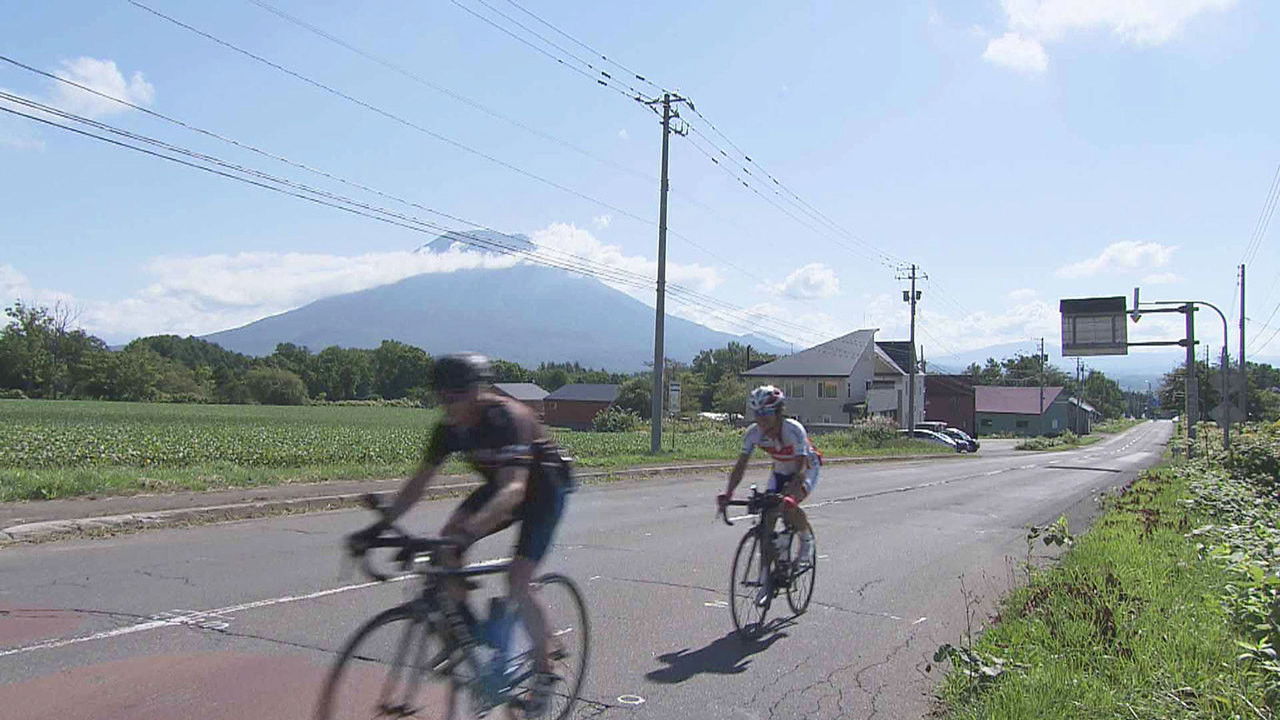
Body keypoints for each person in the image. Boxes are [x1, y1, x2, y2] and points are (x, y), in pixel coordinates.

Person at [346, 352, 571, 717]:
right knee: (445, 544)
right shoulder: (448, 429)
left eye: (458, 396)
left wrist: (469, 533)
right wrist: (376, 528)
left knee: (518, 579)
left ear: (477, 391)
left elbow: (515, 489)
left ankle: (547, 671)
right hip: (501, 487)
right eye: (442, 397)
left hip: (543, 488)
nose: (450, 405)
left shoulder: (506, 419)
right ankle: (470, 634)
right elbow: (417, 486)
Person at [716, 385, 819, 605]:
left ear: (778, 412)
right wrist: (728, 493)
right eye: (757, 414)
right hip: (780, 471)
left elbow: (800, 470)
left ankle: (805, 539)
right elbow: (740, 466)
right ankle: (767, 580)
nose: (761, 420)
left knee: (789, 506)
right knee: (767, 521)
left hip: (805, 469)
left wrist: (790, 497)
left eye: (766, 414)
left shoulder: (793, 430)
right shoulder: (754, 433)